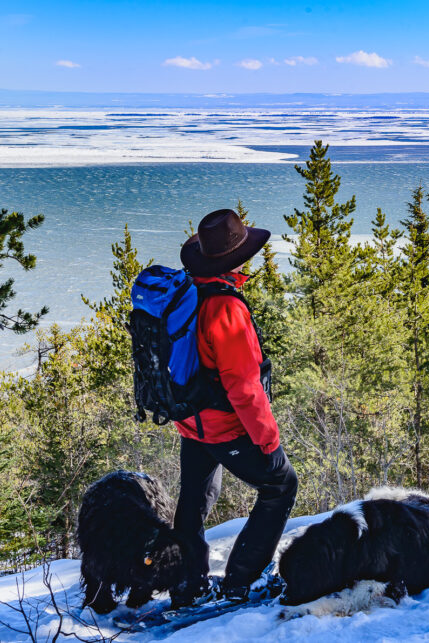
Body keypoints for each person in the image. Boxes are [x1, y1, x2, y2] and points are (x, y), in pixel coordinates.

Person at [170, 208, 298, 605]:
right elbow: (244, 388)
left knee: (193, 499)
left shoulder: (186, 291)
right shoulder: (225, 308)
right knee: (280, 485)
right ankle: (241, 582)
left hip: (190, 422)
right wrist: (269, 442)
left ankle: (188, 584)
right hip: (223, 426)